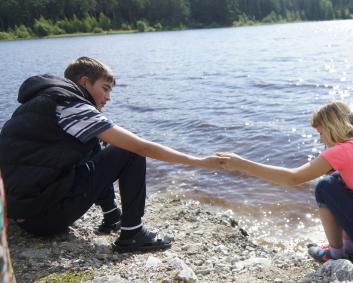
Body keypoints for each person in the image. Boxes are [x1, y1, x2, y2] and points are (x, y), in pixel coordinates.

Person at [0, 56, 225, 253]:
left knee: (95, 140)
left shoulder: (41, 102)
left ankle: (112, 215)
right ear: (84, 82)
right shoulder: (72, 106)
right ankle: (132, 233)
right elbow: (141, 146)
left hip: (23, 214)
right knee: (129, 149)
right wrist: (198, 161)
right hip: (43, 218)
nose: (108, 97)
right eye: (105, 88)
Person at [218, 101, 353, 264]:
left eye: (321, 133)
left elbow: (293, 177)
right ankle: (350, 250)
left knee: (325, 187)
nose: (321, 140)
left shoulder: (341, 152)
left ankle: (335, 254)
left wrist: (241, 164)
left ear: (333, 128)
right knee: (337, 182)